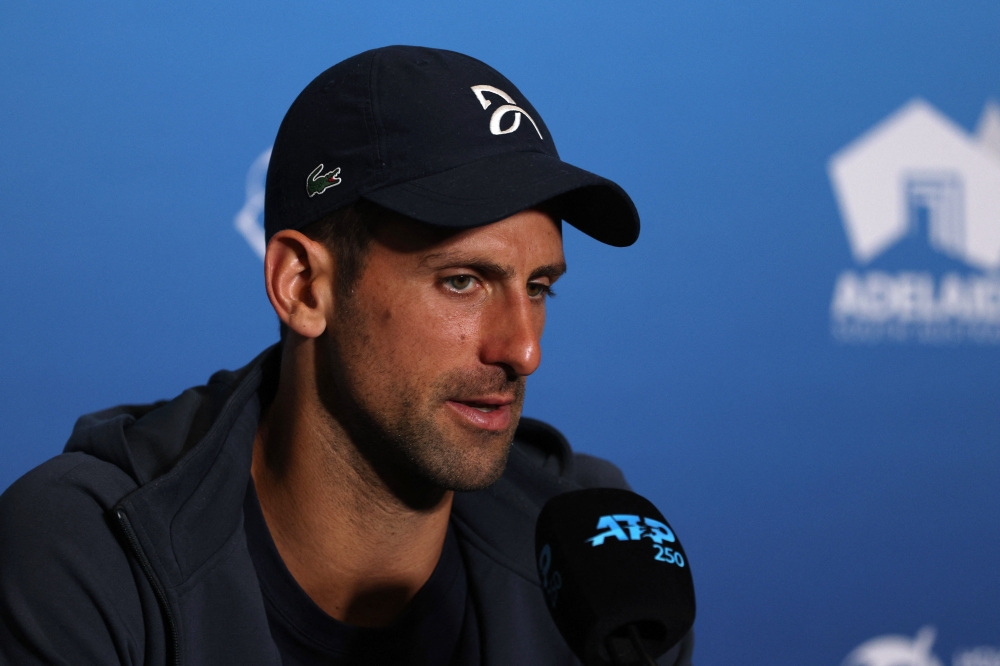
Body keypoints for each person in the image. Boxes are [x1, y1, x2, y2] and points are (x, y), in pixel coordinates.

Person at [0, 46, 694, 665]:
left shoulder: (602, 565)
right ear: (302, 287)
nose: (523, 348)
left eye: (539, 288)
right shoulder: (88, 556)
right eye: (462, 282)